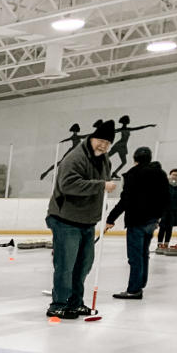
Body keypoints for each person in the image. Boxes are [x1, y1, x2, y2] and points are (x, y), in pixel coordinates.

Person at [46, 119, 117, 319]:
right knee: (66, 265)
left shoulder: (105, 160)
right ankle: (58, 303)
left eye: (107, 143)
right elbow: (68, 184)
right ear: (92, 138)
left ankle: (75, 303)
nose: (103, 145)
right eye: (100, 140)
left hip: (87, 221)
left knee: (84, 265)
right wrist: (100, 185)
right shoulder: (75, 157)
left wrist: (101, 206)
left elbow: (101, 187)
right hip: (65, 219)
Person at [105, 147, 169, 300]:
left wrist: (111, 218)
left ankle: (134, 289)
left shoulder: (133, 174)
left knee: (135, 257)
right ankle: (140, 285)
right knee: (143, 254)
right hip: (152, 220)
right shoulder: (160, 174)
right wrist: (159, 217)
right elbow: (166, 198)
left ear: (135, 159)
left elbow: (126, 200)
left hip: (137, 221)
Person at [157, 168, 177, 248]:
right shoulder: (164, 183)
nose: (175, 176)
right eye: (173, 175)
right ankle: (159, 244)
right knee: (162, 227)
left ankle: (166, 244)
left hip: (173, 210)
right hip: (164, 210)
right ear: (170, 175)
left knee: (169, 228)